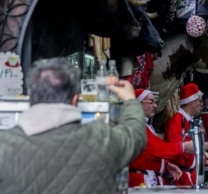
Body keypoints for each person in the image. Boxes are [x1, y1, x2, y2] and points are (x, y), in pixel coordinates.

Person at [0, 57, 146, 194]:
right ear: (75, 100)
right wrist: (130, 99)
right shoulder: (102, 138)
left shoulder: (4, 144)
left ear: (30, 95)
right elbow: (136, 134)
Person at [128, 89, 196, 188]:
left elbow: (149, 153)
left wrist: (166, 165)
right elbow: (156, 149)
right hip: (140, 181)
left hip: (148, 178)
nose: (155, 105)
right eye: (151, 102)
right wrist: (183, 147)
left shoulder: (144, 125)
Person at [164, 83, 208, 186]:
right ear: (191, 102)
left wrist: (201, 154)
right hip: (179, 178)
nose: (200, 104)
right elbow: (177, 149)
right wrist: (203, 147)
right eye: (198, 101)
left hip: (186, 175)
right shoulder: (176, 122)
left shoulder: (186, 121)